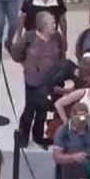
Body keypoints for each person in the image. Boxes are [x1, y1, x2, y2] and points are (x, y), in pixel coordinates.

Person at [11, 11, 67, 148]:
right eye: (52, 23)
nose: (55, 25)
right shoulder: (29, 37)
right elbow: (17, 53)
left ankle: (38, 135)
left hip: (50, 81)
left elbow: (62, 53)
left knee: (43, 109)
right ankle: (23, 135)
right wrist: (27, 65)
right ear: (43, 25)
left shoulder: (57, 37)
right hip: (33, 80)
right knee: (30, 108)